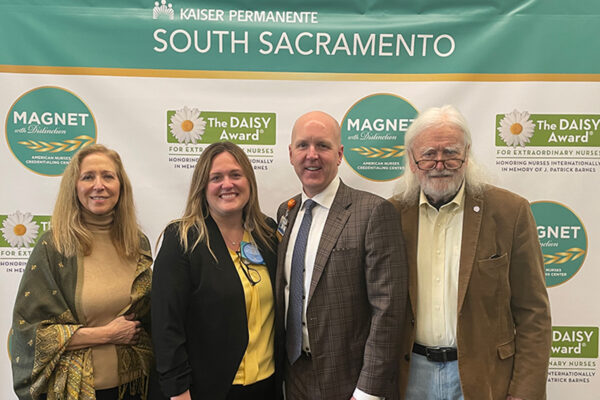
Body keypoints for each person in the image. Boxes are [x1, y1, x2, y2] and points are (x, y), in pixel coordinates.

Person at [390, 105, 552, 400]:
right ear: (412, 161)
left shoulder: (510, 212)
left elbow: (533, 314)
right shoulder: (390, 215)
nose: (440, 163)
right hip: (409, 377)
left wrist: (525, 392)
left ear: (467, 156)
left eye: (451, 152)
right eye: (428, 154)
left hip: (485, 378)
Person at [276, 111, 407, 400]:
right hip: (293, 375)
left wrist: (367, 391)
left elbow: (388, 311)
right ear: (290, 154)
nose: (312, 155)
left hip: (348, 382)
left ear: (339, 154)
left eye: (322, 146)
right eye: (302, 146)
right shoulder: (287, 211)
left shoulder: (372, 212)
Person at [10, 144, 153, 400]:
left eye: (108, 176)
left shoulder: (137, 243)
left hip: (134, 387)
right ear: (74, 187)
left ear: (121, 186)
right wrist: (106, 334)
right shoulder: (54, 246)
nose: (99, 185)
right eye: (88, 177)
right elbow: (28, 333)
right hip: (75, 391)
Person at [151, 141, 281, 399]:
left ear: (249, 181)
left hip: (267, 385)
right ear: (202, 187)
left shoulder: (267, 234)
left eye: (235, 175)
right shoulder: (182, 239)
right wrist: (178, 392)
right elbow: (166, 325)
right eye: (216, 178)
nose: (227, 184)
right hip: (208, 389)